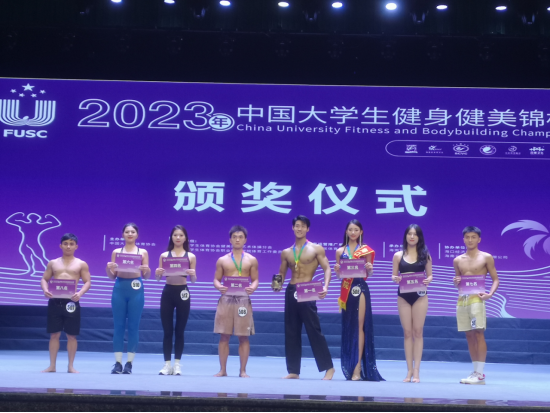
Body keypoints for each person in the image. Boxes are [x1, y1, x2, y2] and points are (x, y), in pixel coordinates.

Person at [274, 215, 335, 380]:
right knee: (291, 331)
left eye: (302, 226)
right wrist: (276, 285)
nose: (299, 228)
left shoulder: (316, 249)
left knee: (314, 330)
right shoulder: (286, 252)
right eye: (297, 225)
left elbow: (327, 268)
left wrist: (325, 286)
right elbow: (281, 273)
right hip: (291, 289)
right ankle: (293, 370)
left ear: (307, 229)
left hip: (308, 289)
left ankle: (329, 368)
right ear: (292, 228)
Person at [334, 220, 384, 382]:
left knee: (360, 326)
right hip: (346, 290)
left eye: (356, 230)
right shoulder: (340, 251)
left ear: (361, 232)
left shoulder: (366, 250)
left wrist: (370, 269)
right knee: (349, 327)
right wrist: (337, 271)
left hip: (360, 288)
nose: (353, 232)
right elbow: (339, 275)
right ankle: (350, 364)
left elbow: (369, 273)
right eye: (350, 229)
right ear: (346, 232)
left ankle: (358, 367)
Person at [453, 226, 500, 385]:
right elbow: (458, 282)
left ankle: (480, 374)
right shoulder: (458, 260)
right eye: (467, 237)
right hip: (462, 300)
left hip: (477, 300)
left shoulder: (486, 257)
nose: (470, 240)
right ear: (463, 239)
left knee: (479, 333)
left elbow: (496, 279)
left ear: (479, 239)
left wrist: (490, 294)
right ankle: (475, 372)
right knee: (469, 335)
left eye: (473, 237)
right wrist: (455, 282)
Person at [40, 233, 91, 374]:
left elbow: (87, 282)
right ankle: (52, 366)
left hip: (71, 301)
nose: (68, 246)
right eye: (65, 243)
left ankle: (71, 366)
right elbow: (44, 279)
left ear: (76, 246)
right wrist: (45, 290)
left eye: (71, 244)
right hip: (55, 301)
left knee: (71, 335)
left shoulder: (81, 264)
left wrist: (80, 293)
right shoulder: (52, 263)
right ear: (60, 246)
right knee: (54, 334)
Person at [213, 225, 259, 378]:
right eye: (234, 237)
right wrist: (219, 286)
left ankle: (243, 371)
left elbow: (255, 279)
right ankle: (222, 370)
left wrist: (253, 287)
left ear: (245, 240)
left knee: (243, 336)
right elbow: (216, 279)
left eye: (240, 237)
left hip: (243, 300)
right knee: (224, 335)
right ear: (230, 240)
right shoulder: (222, 260)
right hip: (226, 299)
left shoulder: (251, 260)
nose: (237, 239)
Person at [106, 223, 151, 375]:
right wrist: (108, 268)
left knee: (133, 326)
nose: (130, 234)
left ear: (137, 235)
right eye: (127, 232)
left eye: (133, 232)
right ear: (122, 234)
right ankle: (118, 363)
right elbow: (112, 276)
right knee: (118, 326)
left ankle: (129, 363)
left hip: (136, 290)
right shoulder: (116, 252)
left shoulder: (142, 252)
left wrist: (147, 270)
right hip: (119, 288)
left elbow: (147, 276)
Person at [391, 224, 433, 383]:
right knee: (407, 333)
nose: (412, 236)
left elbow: (430, 275)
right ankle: (408, 371)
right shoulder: (398, 255)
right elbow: (393, 276)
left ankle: (417, 371)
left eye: (415, 234)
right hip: (403, 296)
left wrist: (428, 280)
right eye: (409, 233)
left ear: (419, 237)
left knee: (418, 332)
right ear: (406, 236)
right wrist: (395, 278)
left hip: (420, 296)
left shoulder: (425, 255)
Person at [155, 225, 197, 376]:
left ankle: (177, 364)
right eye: (175, 235)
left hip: (183, 293)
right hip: (168, 292)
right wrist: (157, 273)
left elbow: (193, 280)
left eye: (181, 235)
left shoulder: (190, 256)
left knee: (180, 330)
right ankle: (167, 365)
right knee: (167, 331)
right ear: (171, 237)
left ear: (185, 238)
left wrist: (193, 274)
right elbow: (158, 278)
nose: (178, 238)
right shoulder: (164, 255)